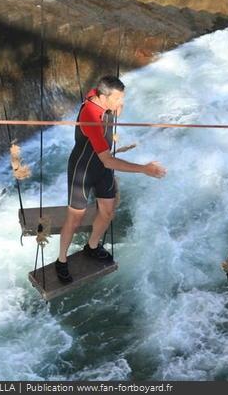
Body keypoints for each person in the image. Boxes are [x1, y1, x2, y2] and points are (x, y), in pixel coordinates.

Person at [56, 75, 167, 283]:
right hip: (83, 170)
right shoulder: (90, 116)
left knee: (107, 213)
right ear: (102, 97)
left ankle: (91, 246)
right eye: (117, 99)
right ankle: (61, 260)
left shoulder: (98, 95)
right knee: (75, 218)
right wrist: (144, 169)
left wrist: (116, 105)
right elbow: (107, 160)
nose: (120, 104)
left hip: (102, 168)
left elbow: (105, 96)